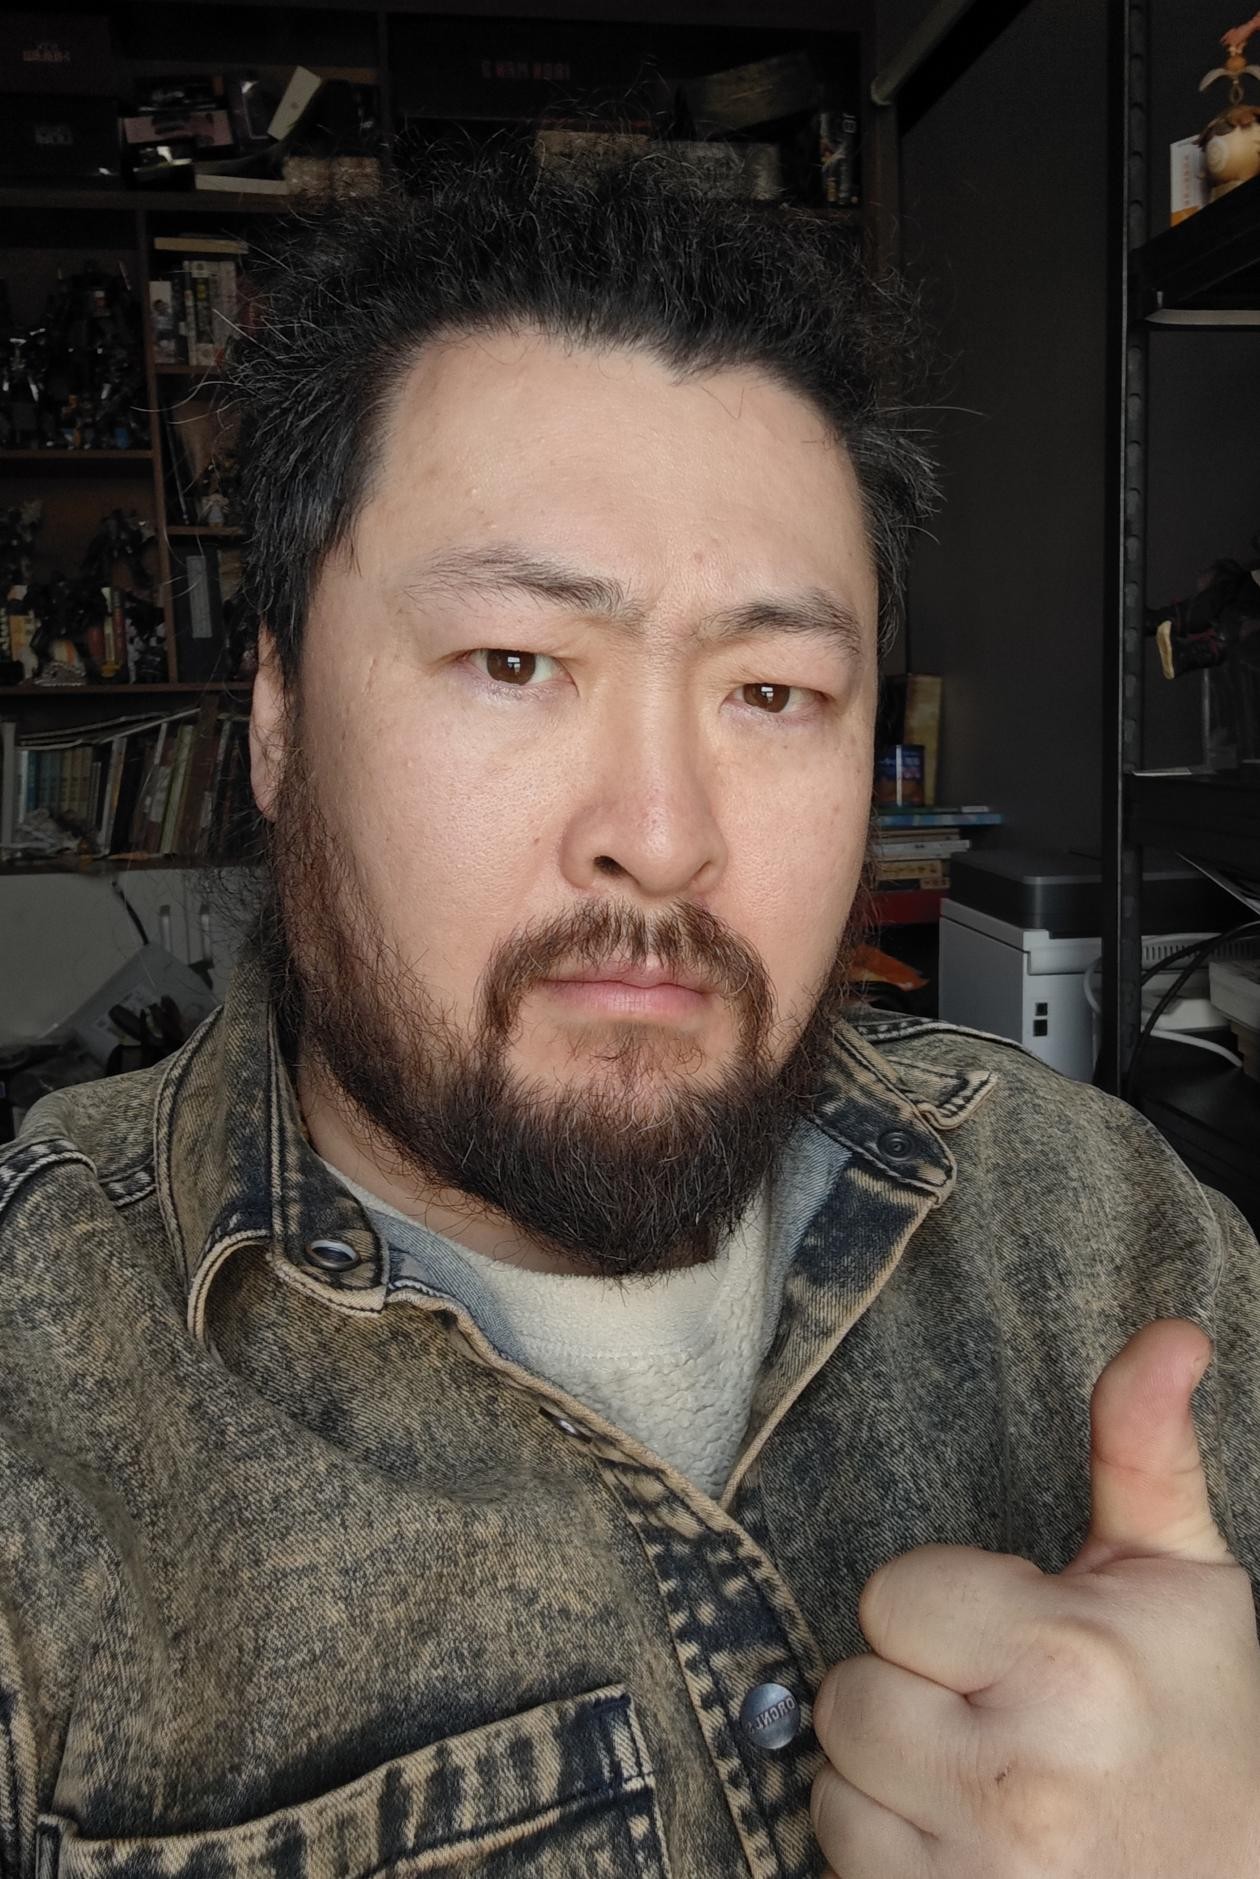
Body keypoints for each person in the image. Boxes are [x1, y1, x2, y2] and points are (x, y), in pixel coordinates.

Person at [1, 146, 1258, 1879]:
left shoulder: (1114, 1238)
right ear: (278, 721)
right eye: (516, 663)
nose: (663, 836)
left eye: (773, 691)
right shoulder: (43, 1404)